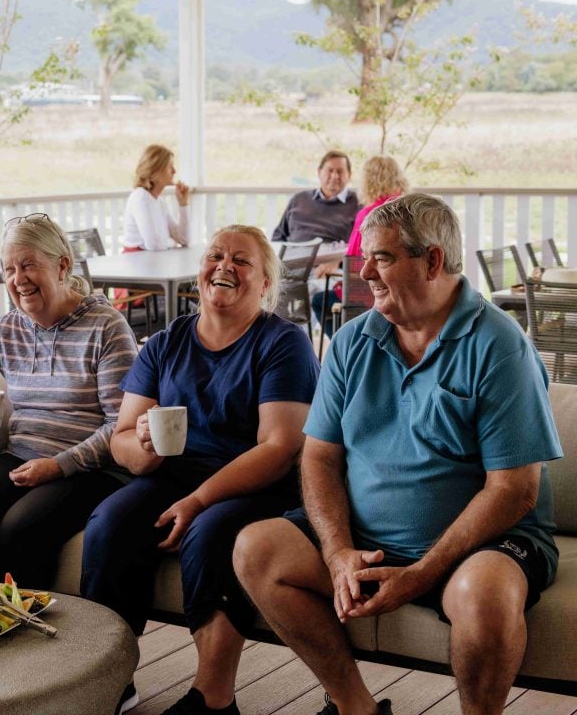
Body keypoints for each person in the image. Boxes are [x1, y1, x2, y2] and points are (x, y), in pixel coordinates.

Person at [234, 193, 563, 715]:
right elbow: (319, 458)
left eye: (381, 257)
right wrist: (339, 551)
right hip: (366, 541)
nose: (363, 272)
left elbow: (514, 490)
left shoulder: (498, 345)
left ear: (432, 260)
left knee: (484, 595)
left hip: (482, 548)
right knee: (256, 547)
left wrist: (424, 571)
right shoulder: (351, 341)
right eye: (366, 256)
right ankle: (354, 707)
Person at [81, 225, 319, 715]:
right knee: (109, 523)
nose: (224, 266)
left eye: (242, 261)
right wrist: (146, 448)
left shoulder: (283, 342)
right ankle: (110, 678)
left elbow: (279, 447)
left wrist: (198, 500)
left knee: (209, 534)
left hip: (258, 485)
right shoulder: (166, 342)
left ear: (265, 284)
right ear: (200, 272)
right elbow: (122, 437)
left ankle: (214, 699)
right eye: (215, 256)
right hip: (172, 475)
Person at [0, 213, 138, 590]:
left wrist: (58, 466)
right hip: (23, 454)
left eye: (28, 266)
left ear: (62, 266)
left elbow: (121, 426)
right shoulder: (8, 329)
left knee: (21, 529)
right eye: (8, 269)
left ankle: (15, 639)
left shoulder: (106, 328)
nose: (18, 279)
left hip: (94, 469)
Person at [313, 155, 410, 336]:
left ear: (368, 181)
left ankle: (344, 348)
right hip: (404, 292)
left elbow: (354, 263)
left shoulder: (369, 215)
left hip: (366, 295)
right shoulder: (408, 210)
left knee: (319, 300)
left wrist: (335, 267)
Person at [271, 150, 359, 246]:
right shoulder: (299, 199)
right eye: (330, 170)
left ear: (349, 175)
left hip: (333, 259)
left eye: (340, 171)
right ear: (319, 172)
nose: (334, 176)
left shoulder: (358, 204)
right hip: (292, 258)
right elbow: (278, 236)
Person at [123, 144, 191, 251]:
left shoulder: (158, 201)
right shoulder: (141, 198)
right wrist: (171, 243)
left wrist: (183, 205)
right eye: (170, 166)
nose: (174, 171)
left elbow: (183, 239)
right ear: (156, 170)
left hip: (153, 261)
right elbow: (154, 246)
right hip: (137, 263)